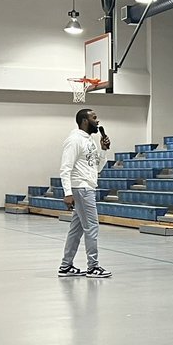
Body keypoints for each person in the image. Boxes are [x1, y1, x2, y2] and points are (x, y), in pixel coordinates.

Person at [58, 108, 112, 278]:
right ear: (84, 121)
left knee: (77, 229)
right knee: (92, 227)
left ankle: (66, 266)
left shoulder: (90, 141)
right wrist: (68, 193)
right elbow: (65, 168)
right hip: (81, 188)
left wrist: (103, 150)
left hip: (87, 186)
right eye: (94, 118)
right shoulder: (74, 140)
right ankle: (93, 267)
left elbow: (97, 168)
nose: (98, 121)